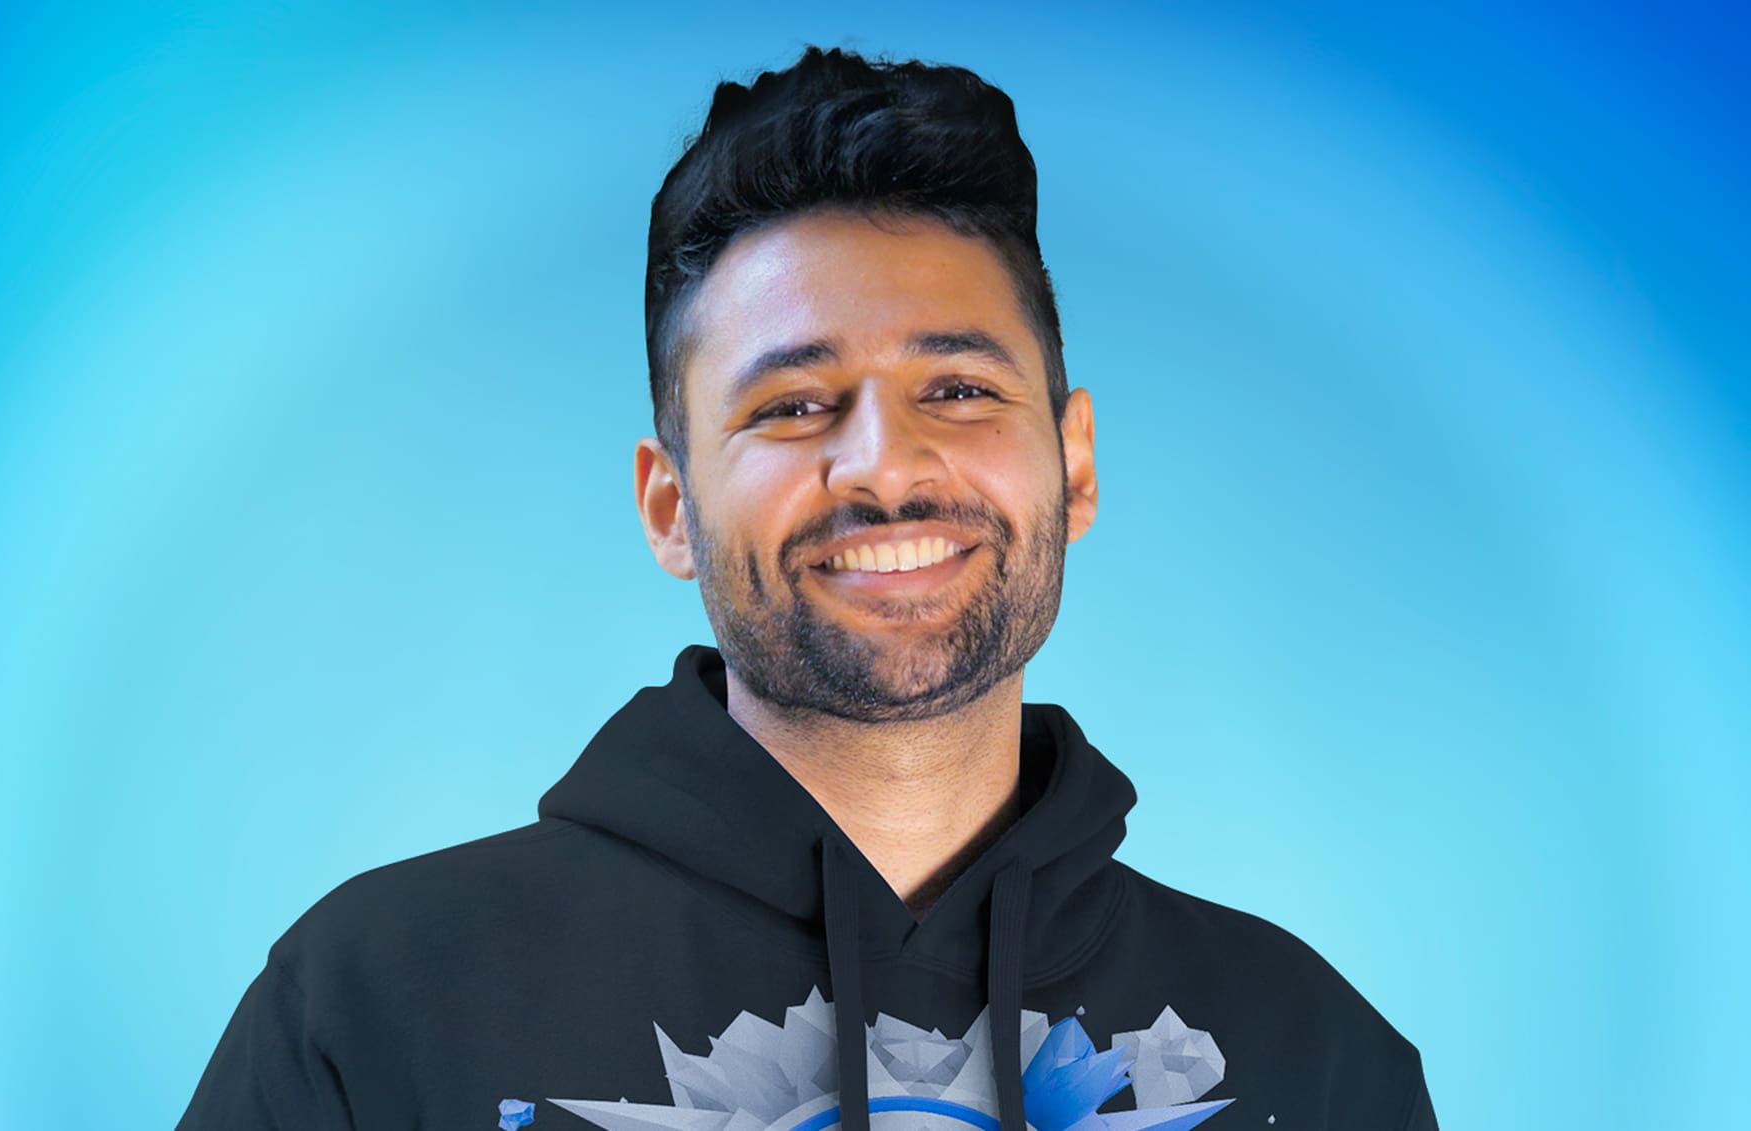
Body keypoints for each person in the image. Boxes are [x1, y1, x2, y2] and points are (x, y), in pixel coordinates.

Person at [177, 45, 1438, 1131]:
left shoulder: (1304, 1052)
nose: (885, 466)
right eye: (792, 405)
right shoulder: (383, 998)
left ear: (1075, 462)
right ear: (671, 506)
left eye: (957, 389)